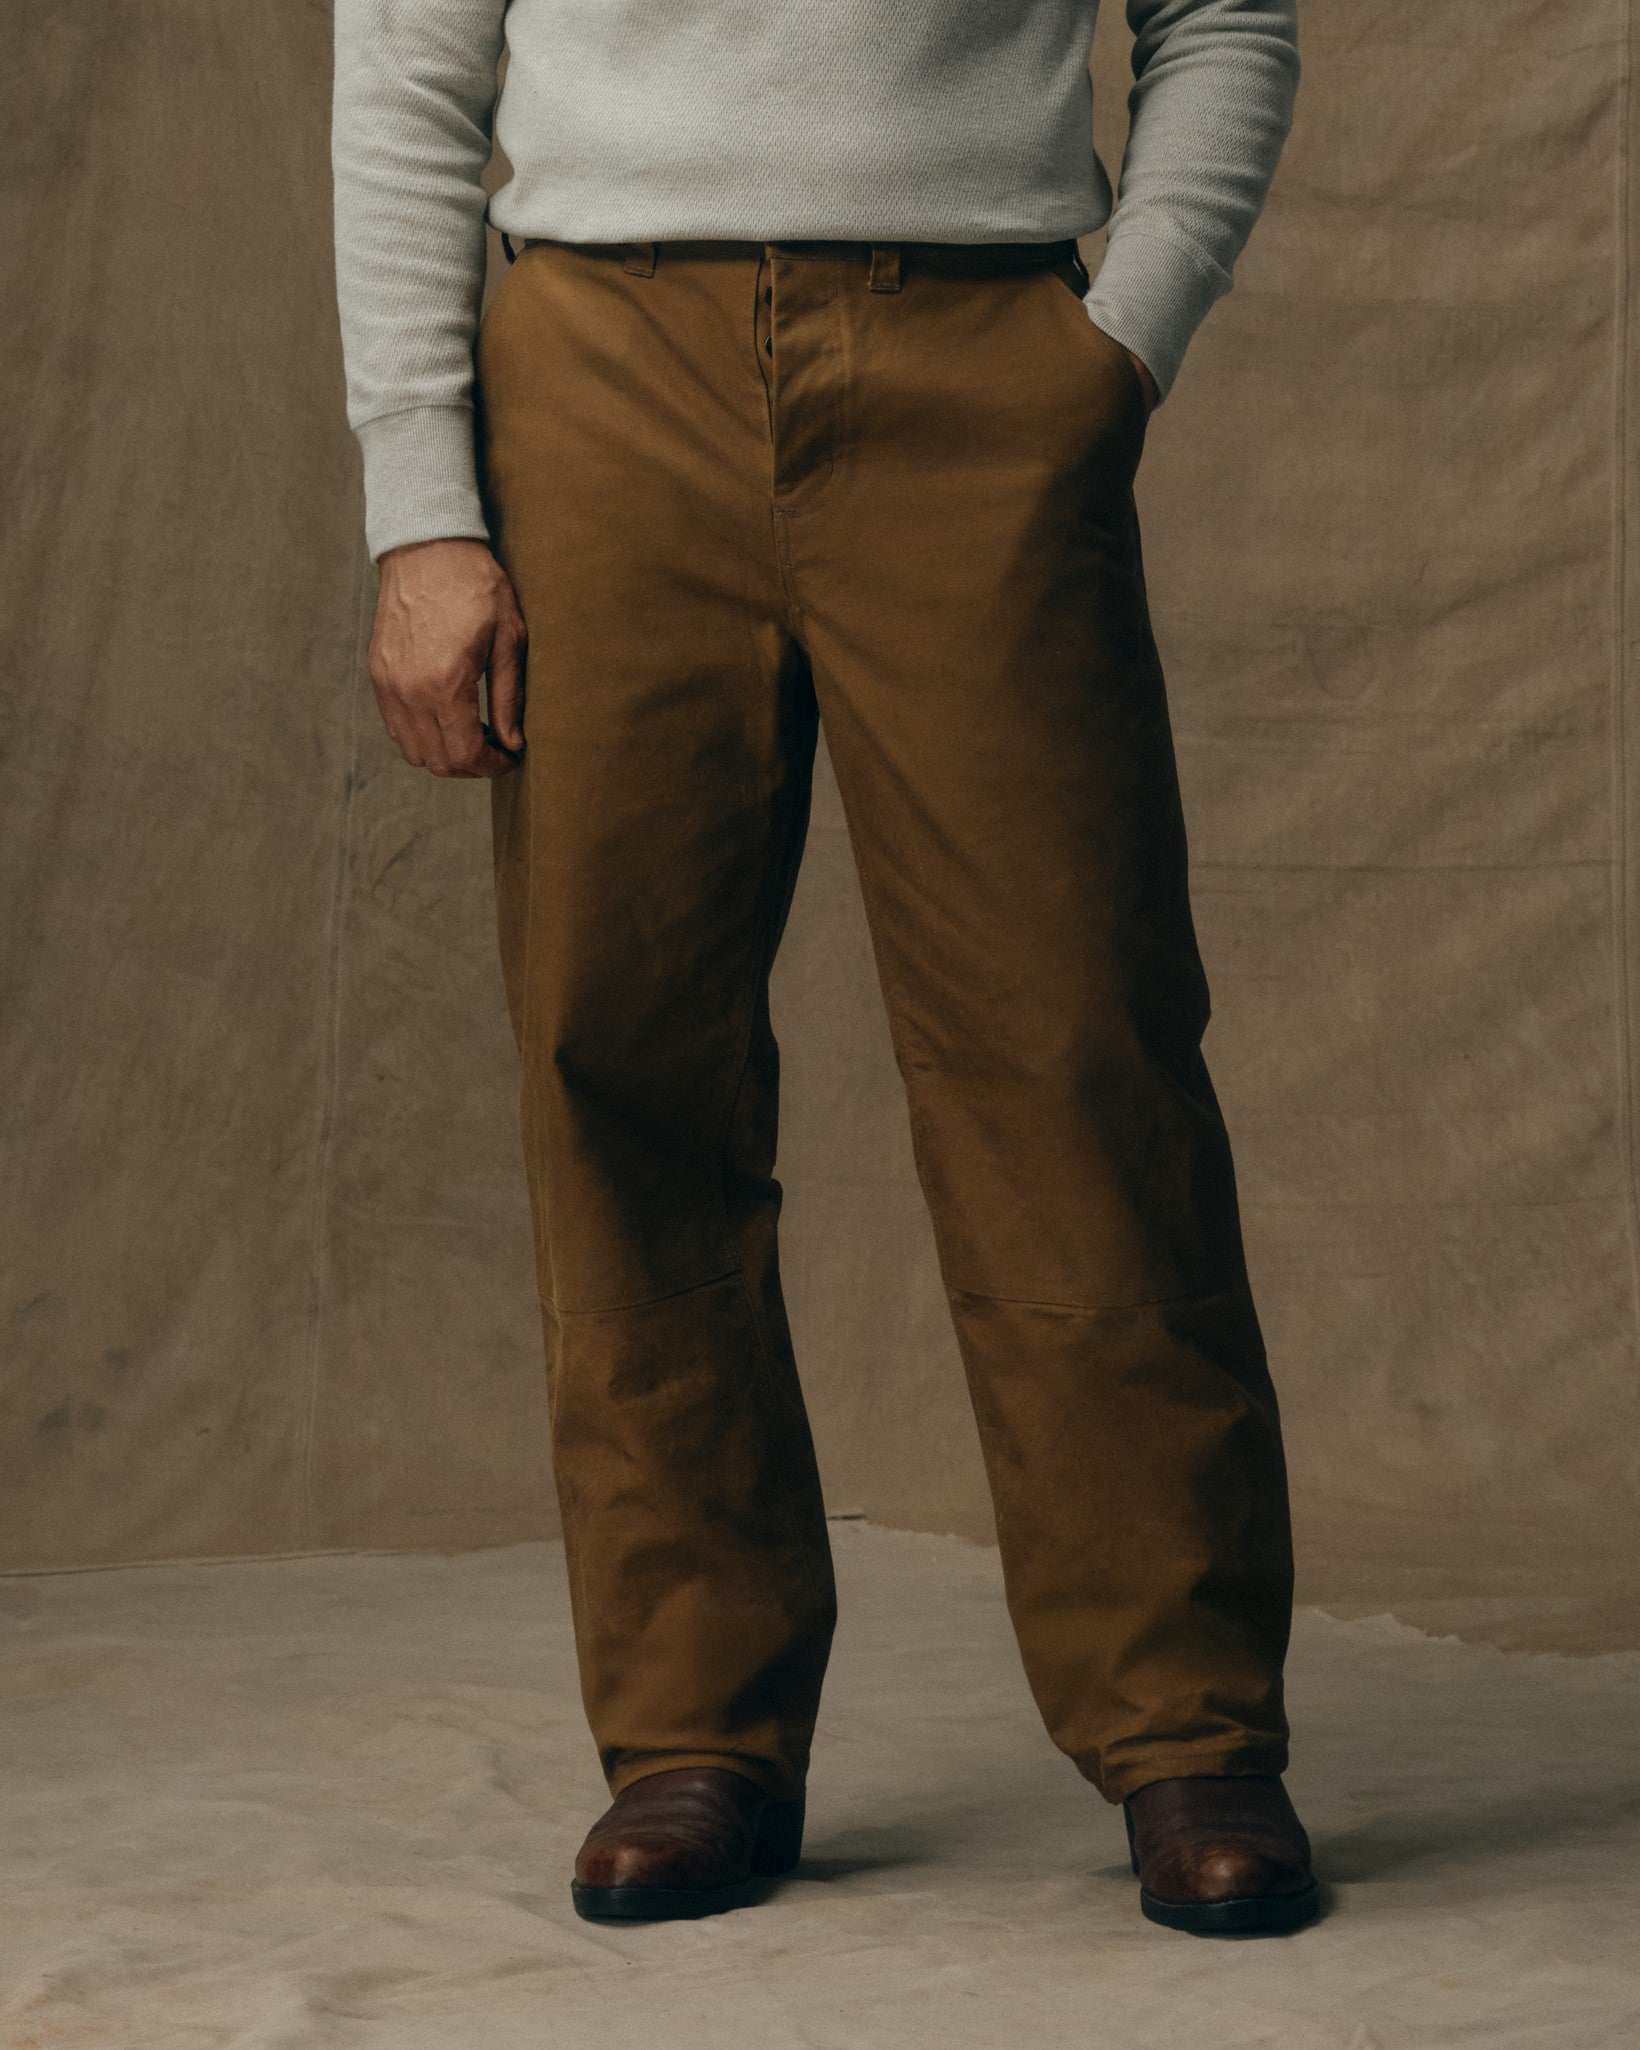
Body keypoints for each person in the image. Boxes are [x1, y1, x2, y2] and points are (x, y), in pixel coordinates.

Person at [331, 0, 1318, 1937]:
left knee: (1074, 1045)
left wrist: (1125, 333)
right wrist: (422, 503)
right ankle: (694, 1726)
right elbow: (407, 61)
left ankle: (1185, 1719)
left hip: (981, 352)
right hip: (596, 362)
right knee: (621, 1055)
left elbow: (1223, 15)